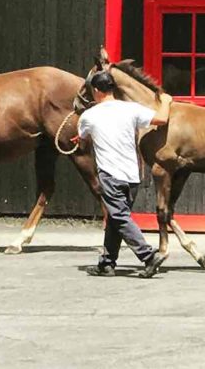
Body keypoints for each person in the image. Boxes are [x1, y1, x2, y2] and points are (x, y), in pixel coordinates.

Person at [74, 71, 172, 278]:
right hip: (132, 175)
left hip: (110, 174)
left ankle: (148, 256)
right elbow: (162, 119)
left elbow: (82, 141)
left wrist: (81, 138)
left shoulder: (88, 116)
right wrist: (166, 100)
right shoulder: (131, 110)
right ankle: (107, 264)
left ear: (97, 91)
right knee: (116, 218)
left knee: (119, 216)